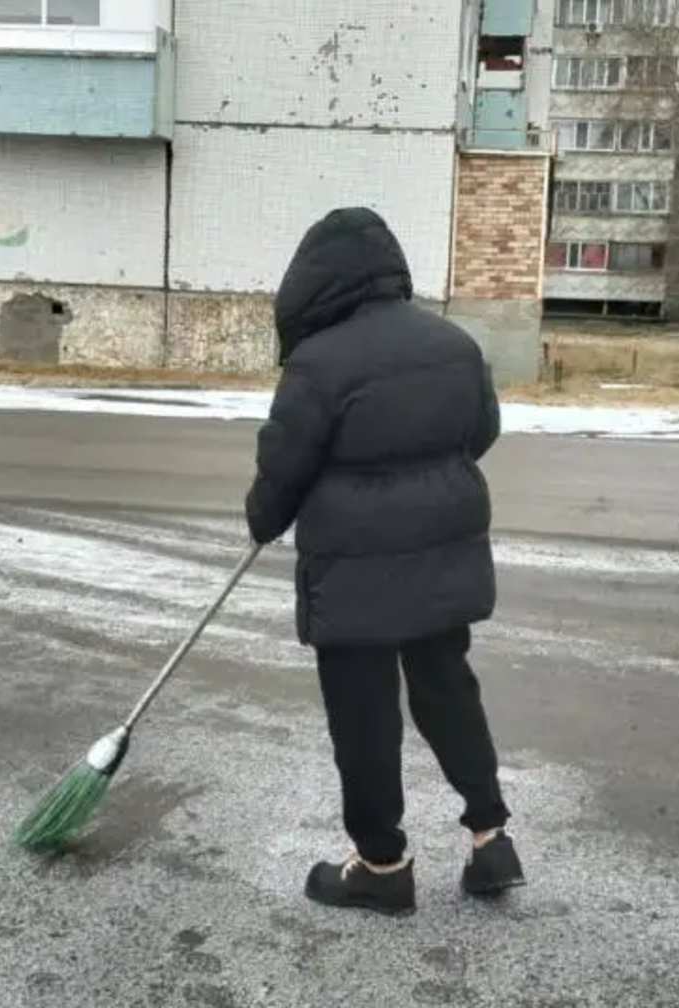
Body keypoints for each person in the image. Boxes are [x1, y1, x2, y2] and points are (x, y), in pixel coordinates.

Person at [243, 206, 525, 916]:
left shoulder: (319, 363)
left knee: (364, 716)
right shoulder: (454, 345)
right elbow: (480, 432)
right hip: (441, 558)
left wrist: (264, 518)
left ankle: (381, 864)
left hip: (355, 573)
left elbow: (285, 466)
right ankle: (491, 838)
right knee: (446, 688)